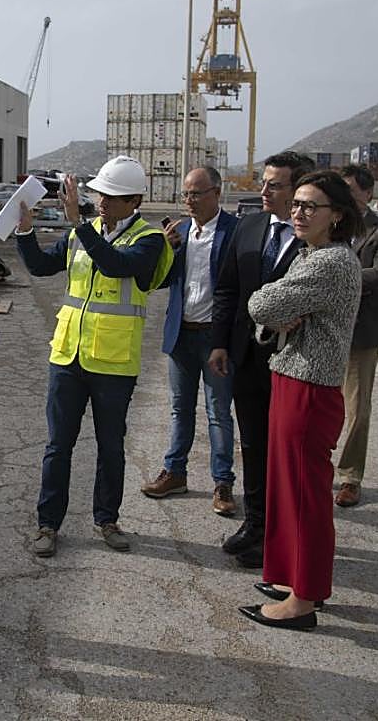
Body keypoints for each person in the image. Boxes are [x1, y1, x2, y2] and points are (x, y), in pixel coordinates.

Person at [16, 156, 174, 557]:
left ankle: (107, 519)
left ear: (135, 200)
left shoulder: (149, 239)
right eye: (101, 194)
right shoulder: (77, 237)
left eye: (114, 196)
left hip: (113, 364)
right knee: (58, 446)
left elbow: (118, 265)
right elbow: (38, 266)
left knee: (110, 447)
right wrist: (26, 232)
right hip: (68, 357)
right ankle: (47, 524)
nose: (103, 202)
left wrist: (79, 224)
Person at [238, 170, 362, 631]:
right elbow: (273, 316)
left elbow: (261, 306)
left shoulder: (328, 262)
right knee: (286, 488)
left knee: (306, 496)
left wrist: (272, 307)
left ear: (338, 217)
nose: (299, 212)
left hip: (309, 388)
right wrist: (277, 312)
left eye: (312, 207)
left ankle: (304, 598)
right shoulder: (313, 255)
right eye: (297, 204)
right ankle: (292, 578)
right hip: (293, 377)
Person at [209, 151, 316, 569]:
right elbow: (227, 289)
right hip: (247, 358)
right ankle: (256, 524)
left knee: (289, 452)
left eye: (275, 184)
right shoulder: (249, 226)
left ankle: (285, 533)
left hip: (295, 361)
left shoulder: (316, 239)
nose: (264, 190)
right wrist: (219, 343)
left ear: (299, 191)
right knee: (253, 445)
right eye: (264, 182)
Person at [142, 166, 240, 515]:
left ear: (217, 192)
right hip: (181, 335)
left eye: (196, 194)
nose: (189, 201)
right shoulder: (180, 232)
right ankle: (175, 472)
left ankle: (222, 482)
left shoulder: (235, 232)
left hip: (216, 339)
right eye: (185, 194)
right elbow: (161, 281)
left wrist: (226, 341)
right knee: (180, 409)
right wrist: (164, 250)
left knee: (218, 412)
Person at [335, 164, 378, 507]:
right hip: (326, 325)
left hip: (363, 329)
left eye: (350, 189)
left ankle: (350, 477)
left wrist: (335, 277)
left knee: (357, 408)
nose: (344, 196)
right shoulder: (329, 223)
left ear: (367, 193)